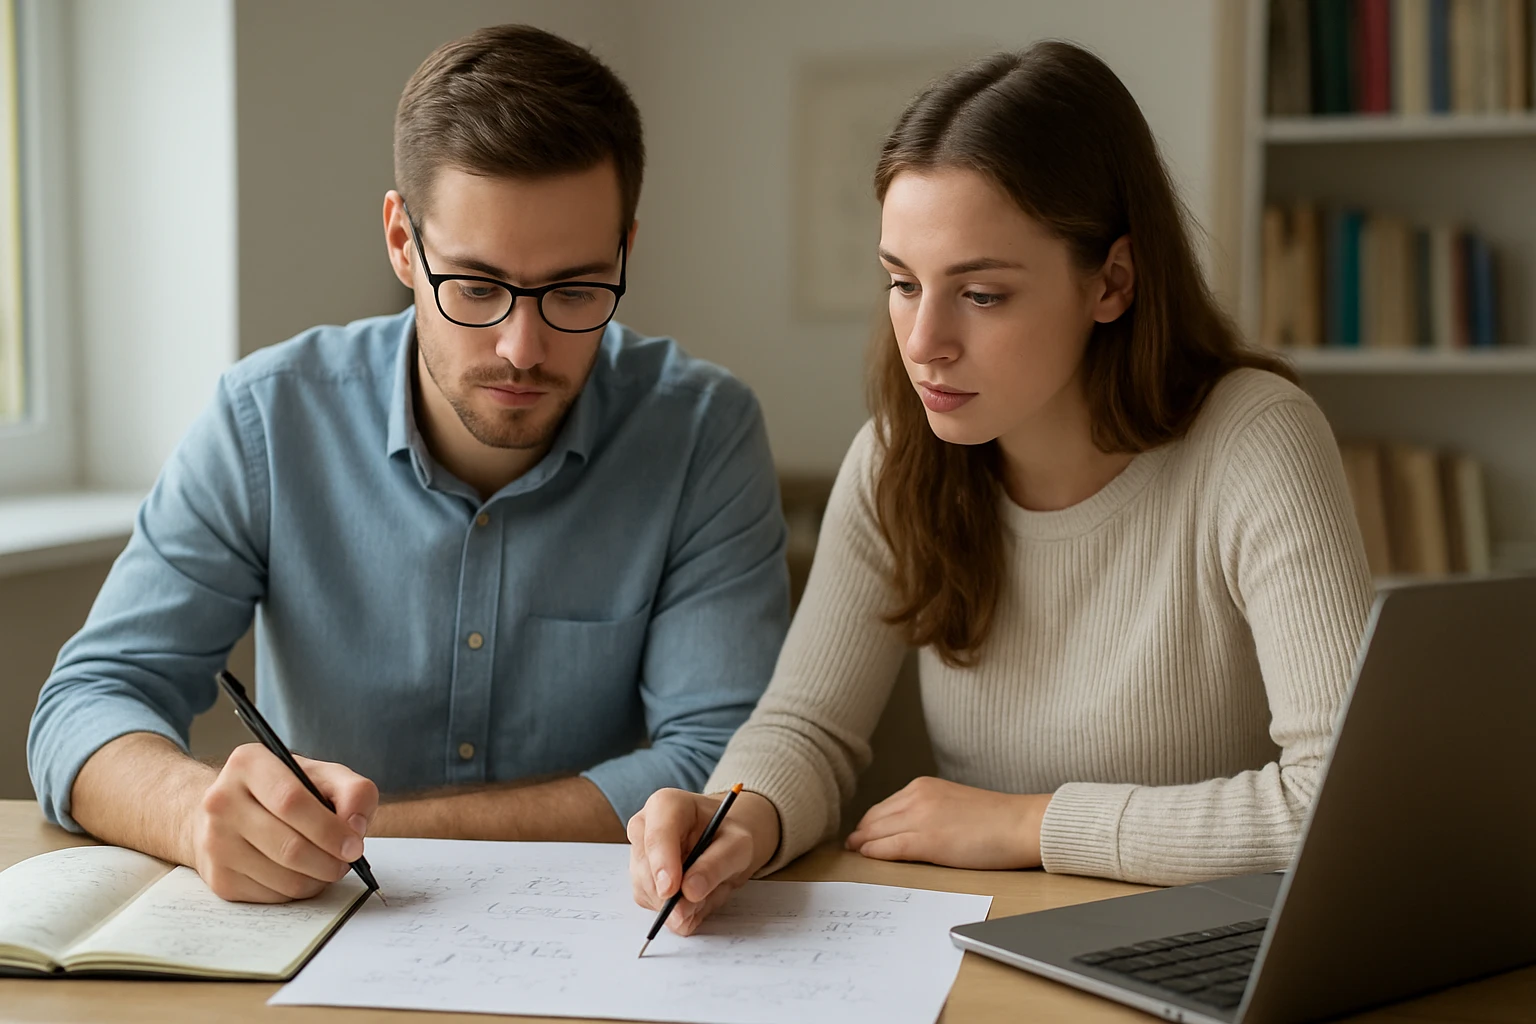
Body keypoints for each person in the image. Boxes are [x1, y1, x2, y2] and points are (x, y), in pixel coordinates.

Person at [28, 24, 789, 904]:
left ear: (625, 249)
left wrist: (374, 832)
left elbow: (720, 762)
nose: (522, 347)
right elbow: (86, 703)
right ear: (401, 242)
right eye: (477, 287)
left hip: (604, 929)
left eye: (576, 290)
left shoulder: (701, 431)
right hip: (319, 932)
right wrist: (197, 816)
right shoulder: (267, 419)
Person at [627, 41, 1374, 935]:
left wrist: (1031, 825)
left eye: (980, 294)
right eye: (903, 283)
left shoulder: (1255, 439)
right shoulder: (897, 457)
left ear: (1112, 281)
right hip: (996, 946)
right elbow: (808, 728)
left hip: (1212, 949)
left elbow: (1337, 803)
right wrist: (736, 817)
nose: (923, 342)